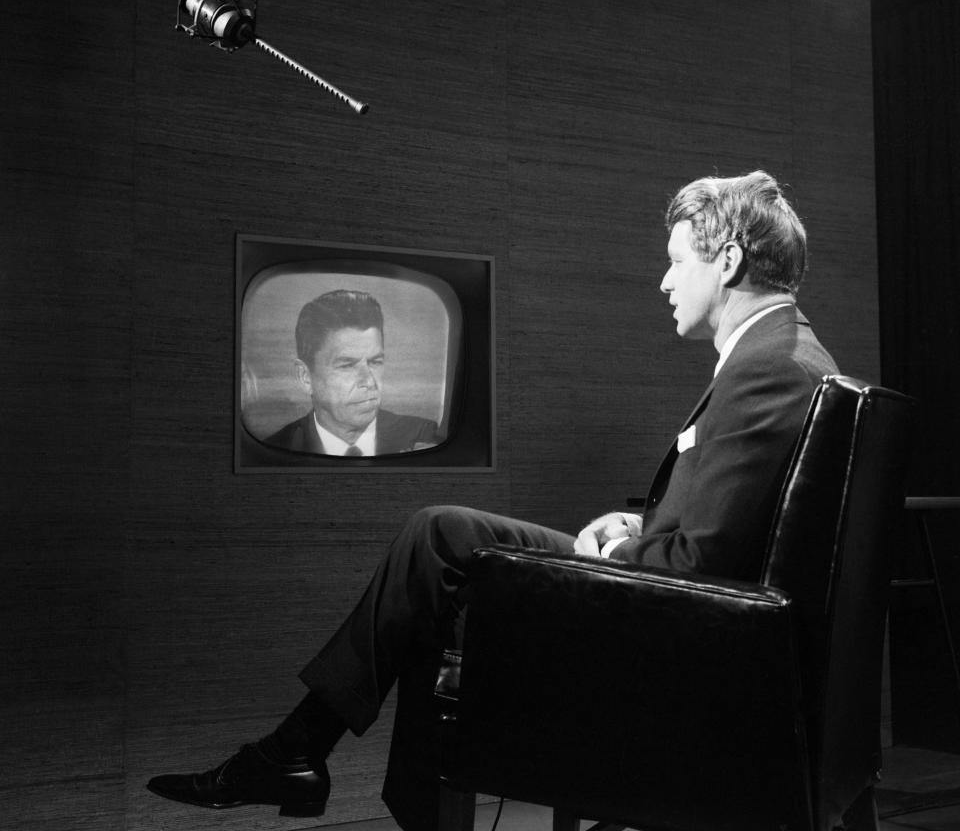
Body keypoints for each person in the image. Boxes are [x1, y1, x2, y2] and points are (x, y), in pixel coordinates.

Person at [147, 170, 838, 829]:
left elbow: (696, 568)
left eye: (676, 261)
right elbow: (728, 520)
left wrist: (623, 547)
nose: (662, 281)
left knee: (439, 552)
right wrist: (639, 521)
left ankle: (298, 754)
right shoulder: (783, 353)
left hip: (670, 633)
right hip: (676, 603)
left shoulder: (767, 368)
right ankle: (299, 751)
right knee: (443, 540)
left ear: (726, 261)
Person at [264, 289, 439, 456]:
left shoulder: (424, 435)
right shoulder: (273, 450)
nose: (369, 381)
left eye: (375, 362)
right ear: (305, 377)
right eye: (347, 365)